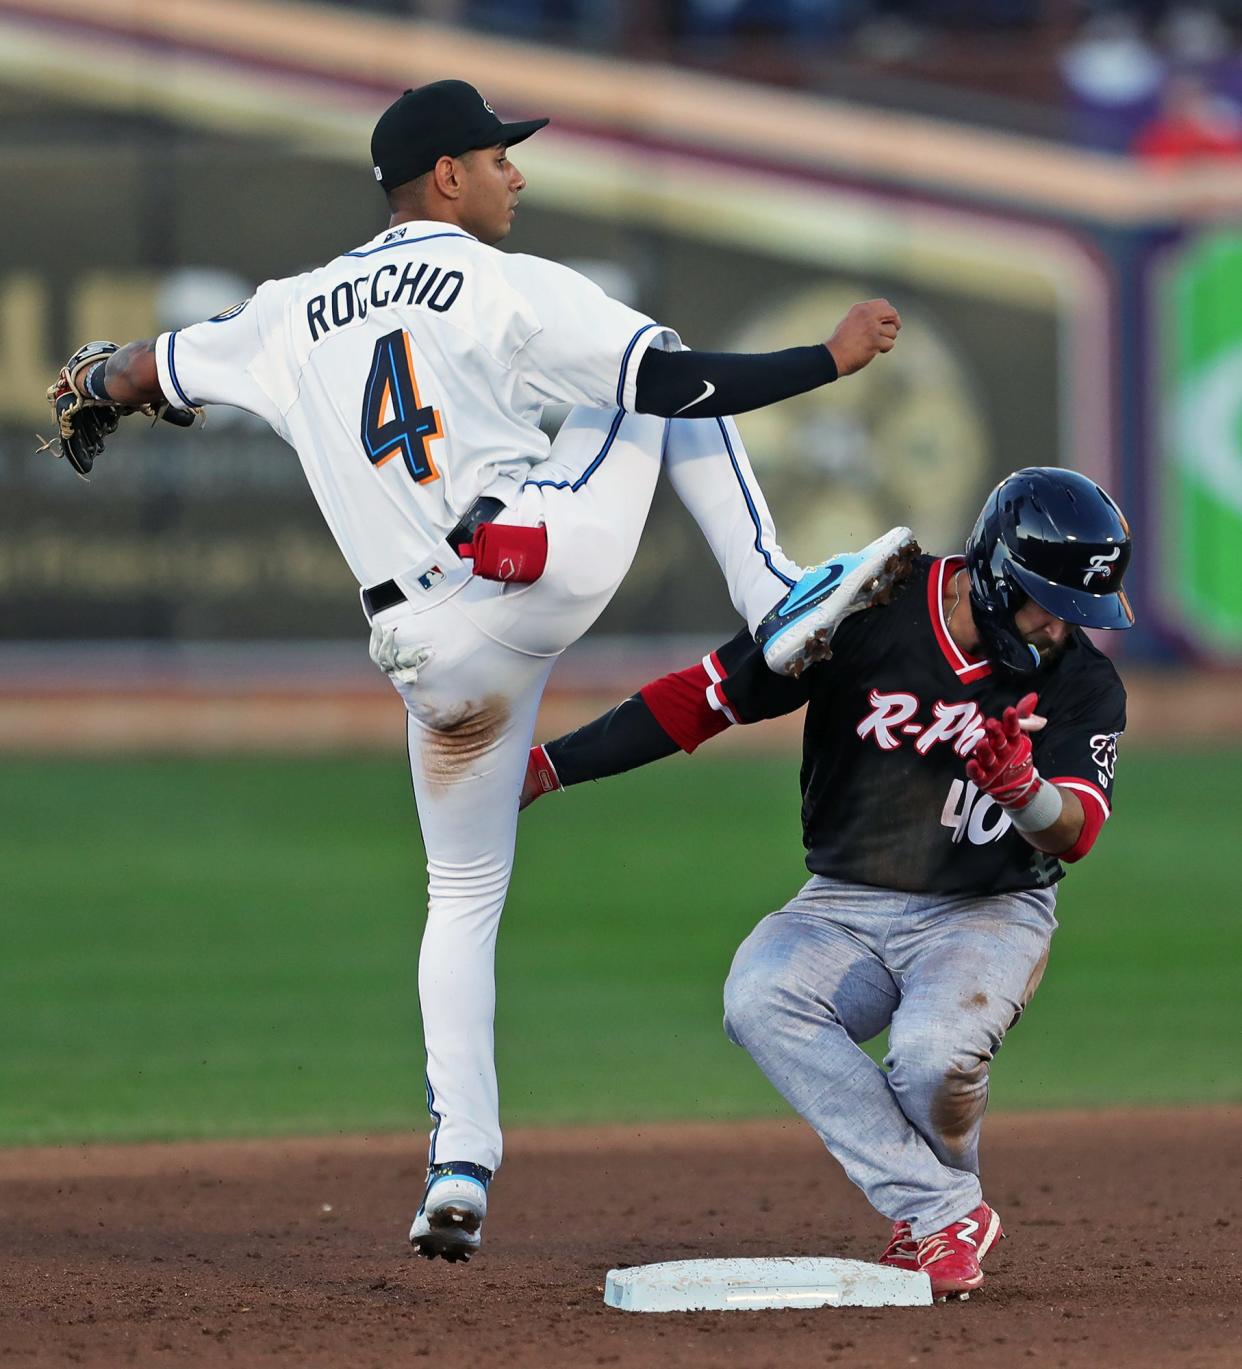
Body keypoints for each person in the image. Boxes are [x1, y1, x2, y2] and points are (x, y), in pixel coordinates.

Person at [40, 79, 912, 1262]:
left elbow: (146, 368)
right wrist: (829, 357)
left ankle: (459, 1163)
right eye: (500, 155)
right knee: (655, 375)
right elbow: (678, 387)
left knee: (460, 898)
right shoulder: (499, 281)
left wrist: (92, 383)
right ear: (444, 176)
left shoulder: (287, 309)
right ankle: (774, 596)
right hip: (527, 572)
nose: (517, 172)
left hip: (423, 656)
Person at [522, 467, 1132, 1300]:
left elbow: (1080, 830)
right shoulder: (865, 606)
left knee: (932, 1057)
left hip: (991, 908)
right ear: (993, 576)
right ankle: (943, 1210)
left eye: (1078, 613)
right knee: (760, 993)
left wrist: (1023, 787)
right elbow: (702, 699)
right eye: (1046, 603)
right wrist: (551, 766)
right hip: (848, 900)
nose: (1061, 628)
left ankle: (933, 1217)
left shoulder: (1083, 683)